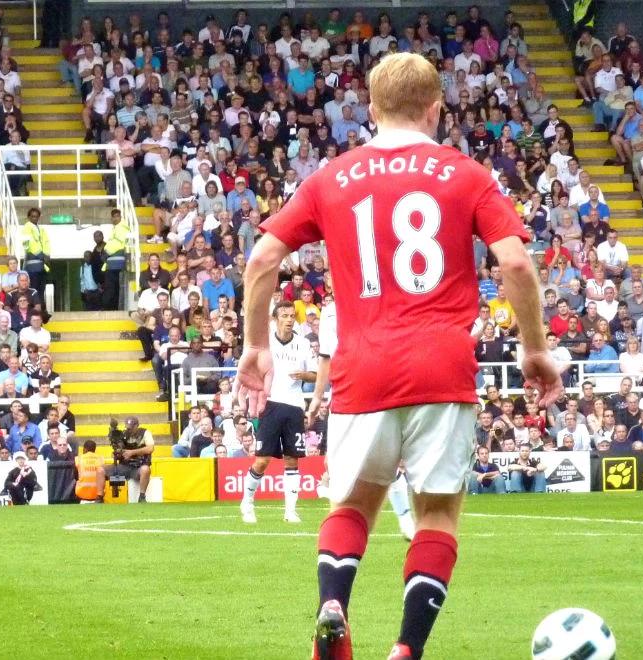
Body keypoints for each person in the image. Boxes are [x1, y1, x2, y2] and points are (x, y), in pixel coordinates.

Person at [235, 53, 561, 660]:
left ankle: (334, 603)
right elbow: (515, 263)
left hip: (362, 368)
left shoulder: (332, 176)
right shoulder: (466, 173)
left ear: (371, 108)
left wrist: (256, 347)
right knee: (436, 517)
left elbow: (260, 261)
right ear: (437, 107)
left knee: (352, 507)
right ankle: (407, 647)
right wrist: (535, 348)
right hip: (444, 366)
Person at [308, 296, 416, 540]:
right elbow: (326, 357)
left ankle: (405, 517)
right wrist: (317, 395)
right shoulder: (331, 312)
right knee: (340, 461)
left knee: (389, 457)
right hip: (346, 393)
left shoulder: (380, 301)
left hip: (379, 388)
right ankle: (340, 521)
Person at [239, 303, 316, 524]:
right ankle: (247, 502)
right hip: (270, 404)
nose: (289, 319)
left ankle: (290, 511)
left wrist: (304, 374)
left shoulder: (303, 343)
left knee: (292, 459)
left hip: (294, 406)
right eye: (284, 315)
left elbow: (315, 374)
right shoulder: (265, 344)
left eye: (292, 316)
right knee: (262, 460)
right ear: (275, 319)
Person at [107, 417, 154, 502]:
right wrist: (118, 452)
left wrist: (132, 453)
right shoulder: (123, 434)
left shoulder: (145, 433)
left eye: (131, 428)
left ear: (137, 426)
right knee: (100, 470)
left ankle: (142, 496)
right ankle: (99, 498)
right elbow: (120, 449)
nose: (129, 430)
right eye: (127, 428)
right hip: (125, 466)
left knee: (146, 470)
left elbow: (150, 448)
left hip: (139, 466)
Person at [20, 207, 50, 295]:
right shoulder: (27, 227)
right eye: (33, 216)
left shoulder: (41, 229)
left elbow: (46, 242)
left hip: (42, 264)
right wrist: (40, 254)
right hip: (33, 263)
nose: (35, 218)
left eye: (36, 217)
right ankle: (35, 307)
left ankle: (40, 306)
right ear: (29, 217)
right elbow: (28, 244)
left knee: (41, 288)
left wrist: (47, 254)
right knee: (34, 288)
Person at [74, 439, 106, 503]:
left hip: (82, 495)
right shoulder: (101, 459)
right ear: (94, 449)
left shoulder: (79, 459)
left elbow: (75, 476)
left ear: (85, 449)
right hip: (98, 496)